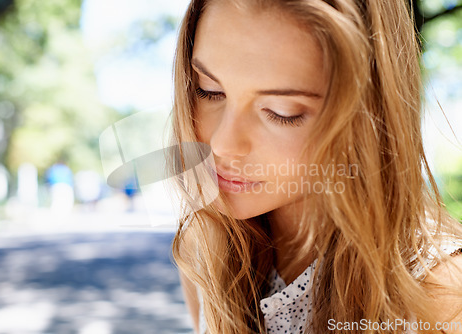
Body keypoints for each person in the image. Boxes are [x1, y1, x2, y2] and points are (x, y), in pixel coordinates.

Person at [168, 0, 462, 333]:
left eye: (283, 111)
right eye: (209, 91)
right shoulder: (205, 246)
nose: (222, 145)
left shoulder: (440, 294)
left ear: (368, 118)